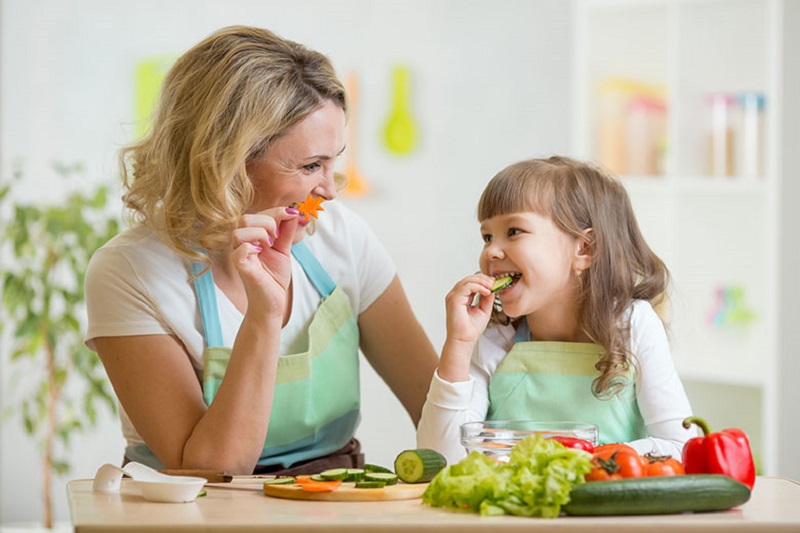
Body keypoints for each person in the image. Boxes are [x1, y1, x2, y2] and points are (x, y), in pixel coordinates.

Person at [85, 25, 438, 475]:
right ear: (226, 162)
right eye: (310, 166)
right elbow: (211, 470)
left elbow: (436, 410)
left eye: (333, 161)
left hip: (331, 499)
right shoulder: (129, 271)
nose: (329, 190)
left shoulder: (343, 237)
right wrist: (264, 316)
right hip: (200, 503)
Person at [416, 156, 694, 465]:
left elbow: (679, 446)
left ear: (584, 248)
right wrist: (459, 344)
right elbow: (441, 457)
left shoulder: (633, 325)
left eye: (514, 231)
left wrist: (580, 460)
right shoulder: (494, 338)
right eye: (487, 236)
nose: (491, 251)